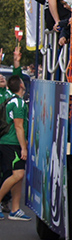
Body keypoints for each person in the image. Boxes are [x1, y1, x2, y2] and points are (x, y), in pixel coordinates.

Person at [0, 75, 30, 221]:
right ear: (21, 86)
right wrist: (23, 148)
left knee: (18, 175)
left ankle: (15, 209)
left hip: (11, 142)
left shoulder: (14, 101)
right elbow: (18, 127)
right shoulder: (18, 103)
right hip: (12, 143)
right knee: (18, 174)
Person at [0, 48, 23, 214]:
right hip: (4, 138)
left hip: (7, 139)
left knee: (9, 171)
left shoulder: (10, 94)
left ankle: (5, 201)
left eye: (3, 77)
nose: (2, 78)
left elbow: (17, 80)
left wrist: (16, 61)